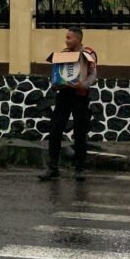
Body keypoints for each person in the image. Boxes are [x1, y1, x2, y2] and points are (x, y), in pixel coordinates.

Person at [39, 27, 98, 182]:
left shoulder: (88, 53)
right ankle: (53, 167)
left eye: (69, 37)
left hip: (80, 95)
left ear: (78, 39)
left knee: (80, 131)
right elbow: (57, 74)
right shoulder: (63, 54)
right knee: (56, 129)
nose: (66, 40)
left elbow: (93, 75)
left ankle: (79, 168)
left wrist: (83, 85)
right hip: (64, 95)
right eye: (66, 37)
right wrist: (55, 84)